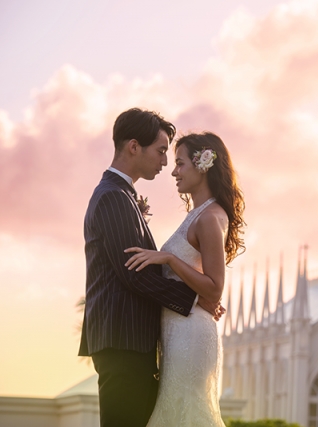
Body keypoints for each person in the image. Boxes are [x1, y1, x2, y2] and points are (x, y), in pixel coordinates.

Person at [79, 109, 223, 427]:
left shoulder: (121, 196)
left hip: (133, 343)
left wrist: (200, 291)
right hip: (123, 341)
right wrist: (195, 298)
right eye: (160, 151)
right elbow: (135, 274)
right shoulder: (113, 197)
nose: (164, 162)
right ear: (133, 146)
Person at [124, 131, 245, 426]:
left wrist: (169, 258)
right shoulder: (198, 214)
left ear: (203, 165)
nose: (174, 172)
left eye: (180, 164)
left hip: (190, 336)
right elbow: (197, 287)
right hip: (179, 331)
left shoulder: (208, 218)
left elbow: (215, 289)